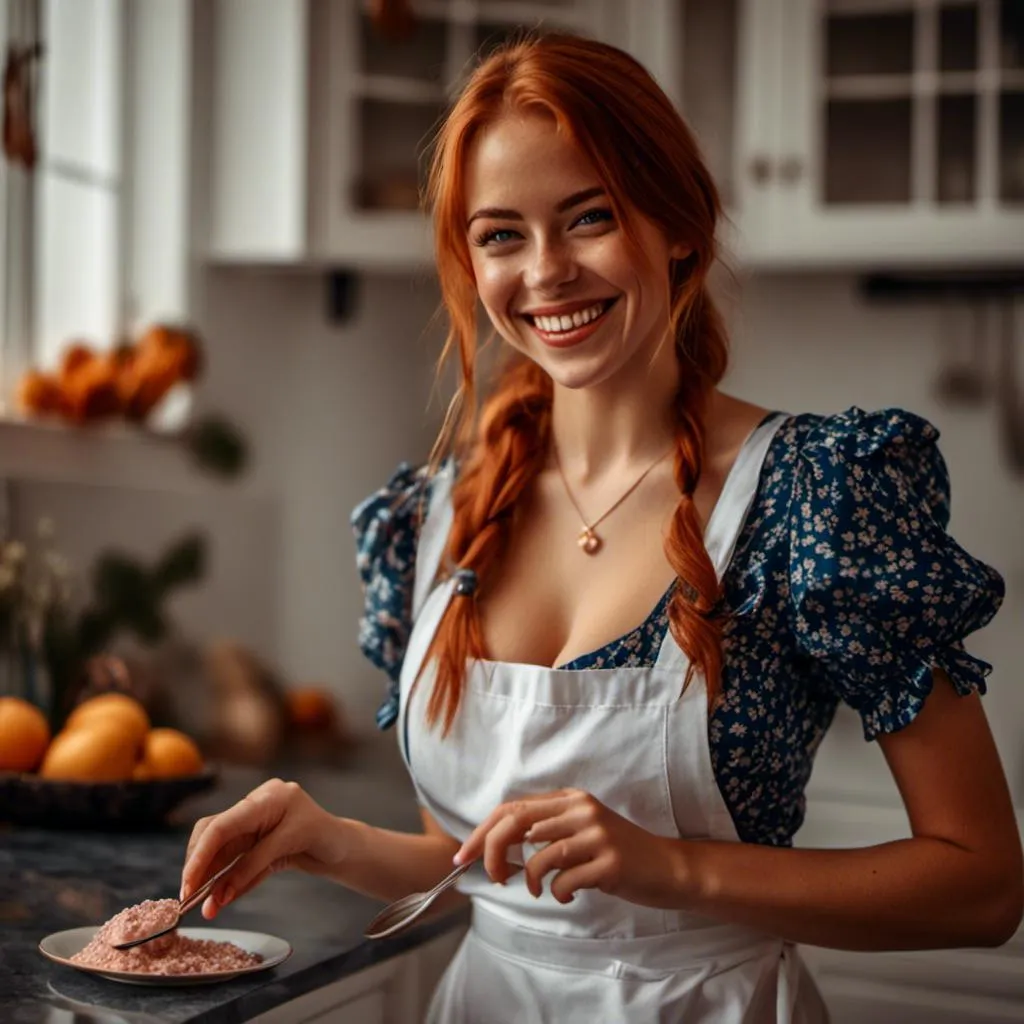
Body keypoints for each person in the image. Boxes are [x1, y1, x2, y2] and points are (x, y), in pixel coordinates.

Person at [179, 32, 1022, 1023]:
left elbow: (981, 885)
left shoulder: (815, 494)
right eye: (500, 234)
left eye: (588, 217)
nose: (547, 272)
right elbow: (492, 866)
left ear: (675, 223)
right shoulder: (437, 516)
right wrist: (328, 838)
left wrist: (674, 869)